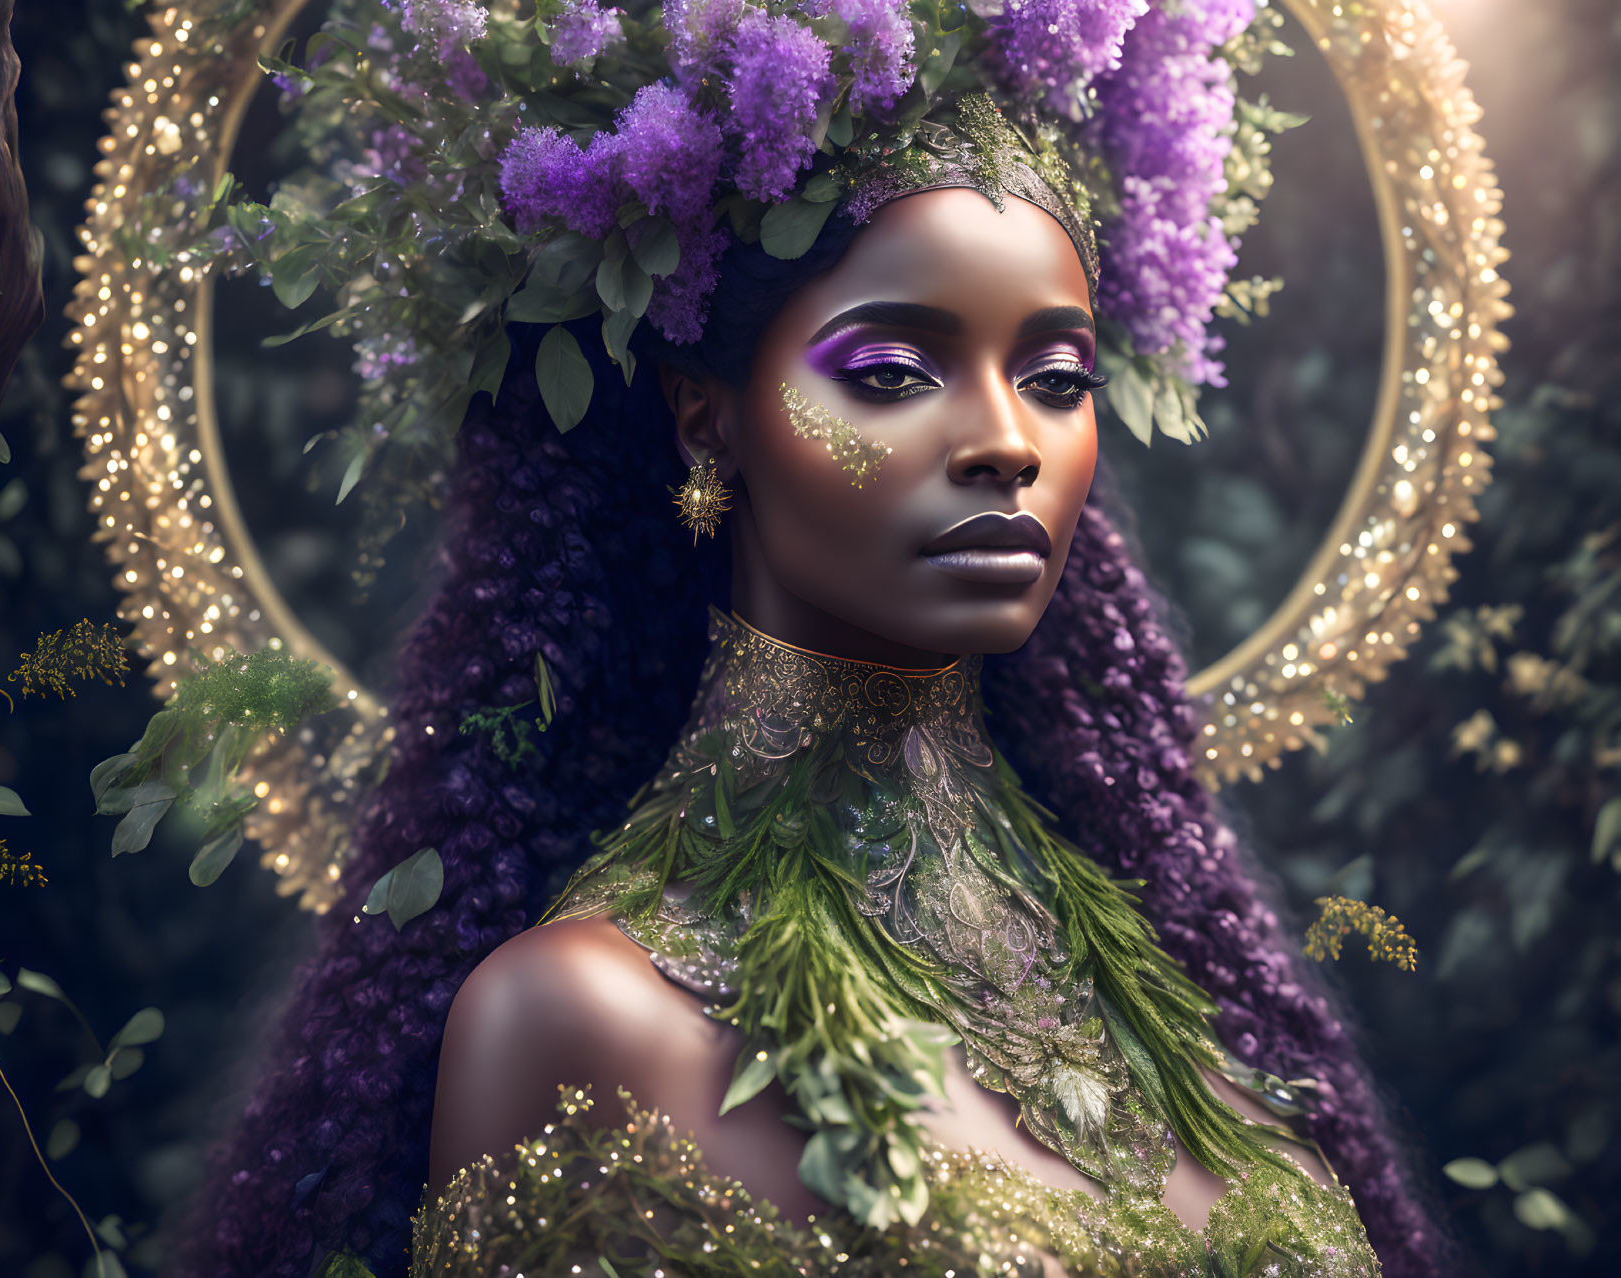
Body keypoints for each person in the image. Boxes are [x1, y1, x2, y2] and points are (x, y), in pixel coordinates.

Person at [164, 5, 1455, 1276]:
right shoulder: (582, 1018)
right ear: (706, 421)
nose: (1009, 440)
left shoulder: (1175, 985)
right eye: (894, 371)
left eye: (1058, 377)